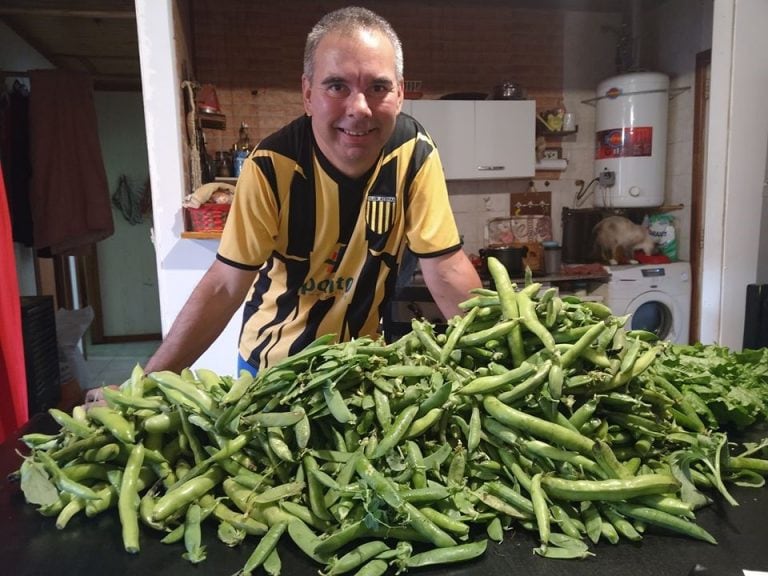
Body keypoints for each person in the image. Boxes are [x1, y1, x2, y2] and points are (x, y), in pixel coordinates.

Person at [102, 6, 481, 390]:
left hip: (360, 371)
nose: (359, 108)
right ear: (307, 94)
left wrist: (502, 366)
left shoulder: (415, 153)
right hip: (270, 372)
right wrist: (143, 385)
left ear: (399, 94)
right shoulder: (271, 166)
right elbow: (225, 285)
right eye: (337, 86)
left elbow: (446, 267)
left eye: (378, 87)